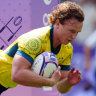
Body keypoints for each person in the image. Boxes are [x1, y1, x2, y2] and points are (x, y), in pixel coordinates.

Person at [0, 1, 84, 95]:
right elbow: (17, 75)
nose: (74, 36)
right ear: (57, 23)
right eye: (71, 31)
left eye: (77, 32)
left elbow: (60, 87)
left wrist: (68, 82)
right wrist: (49, 82)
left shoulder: (67, 49)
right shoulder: (35, 40)